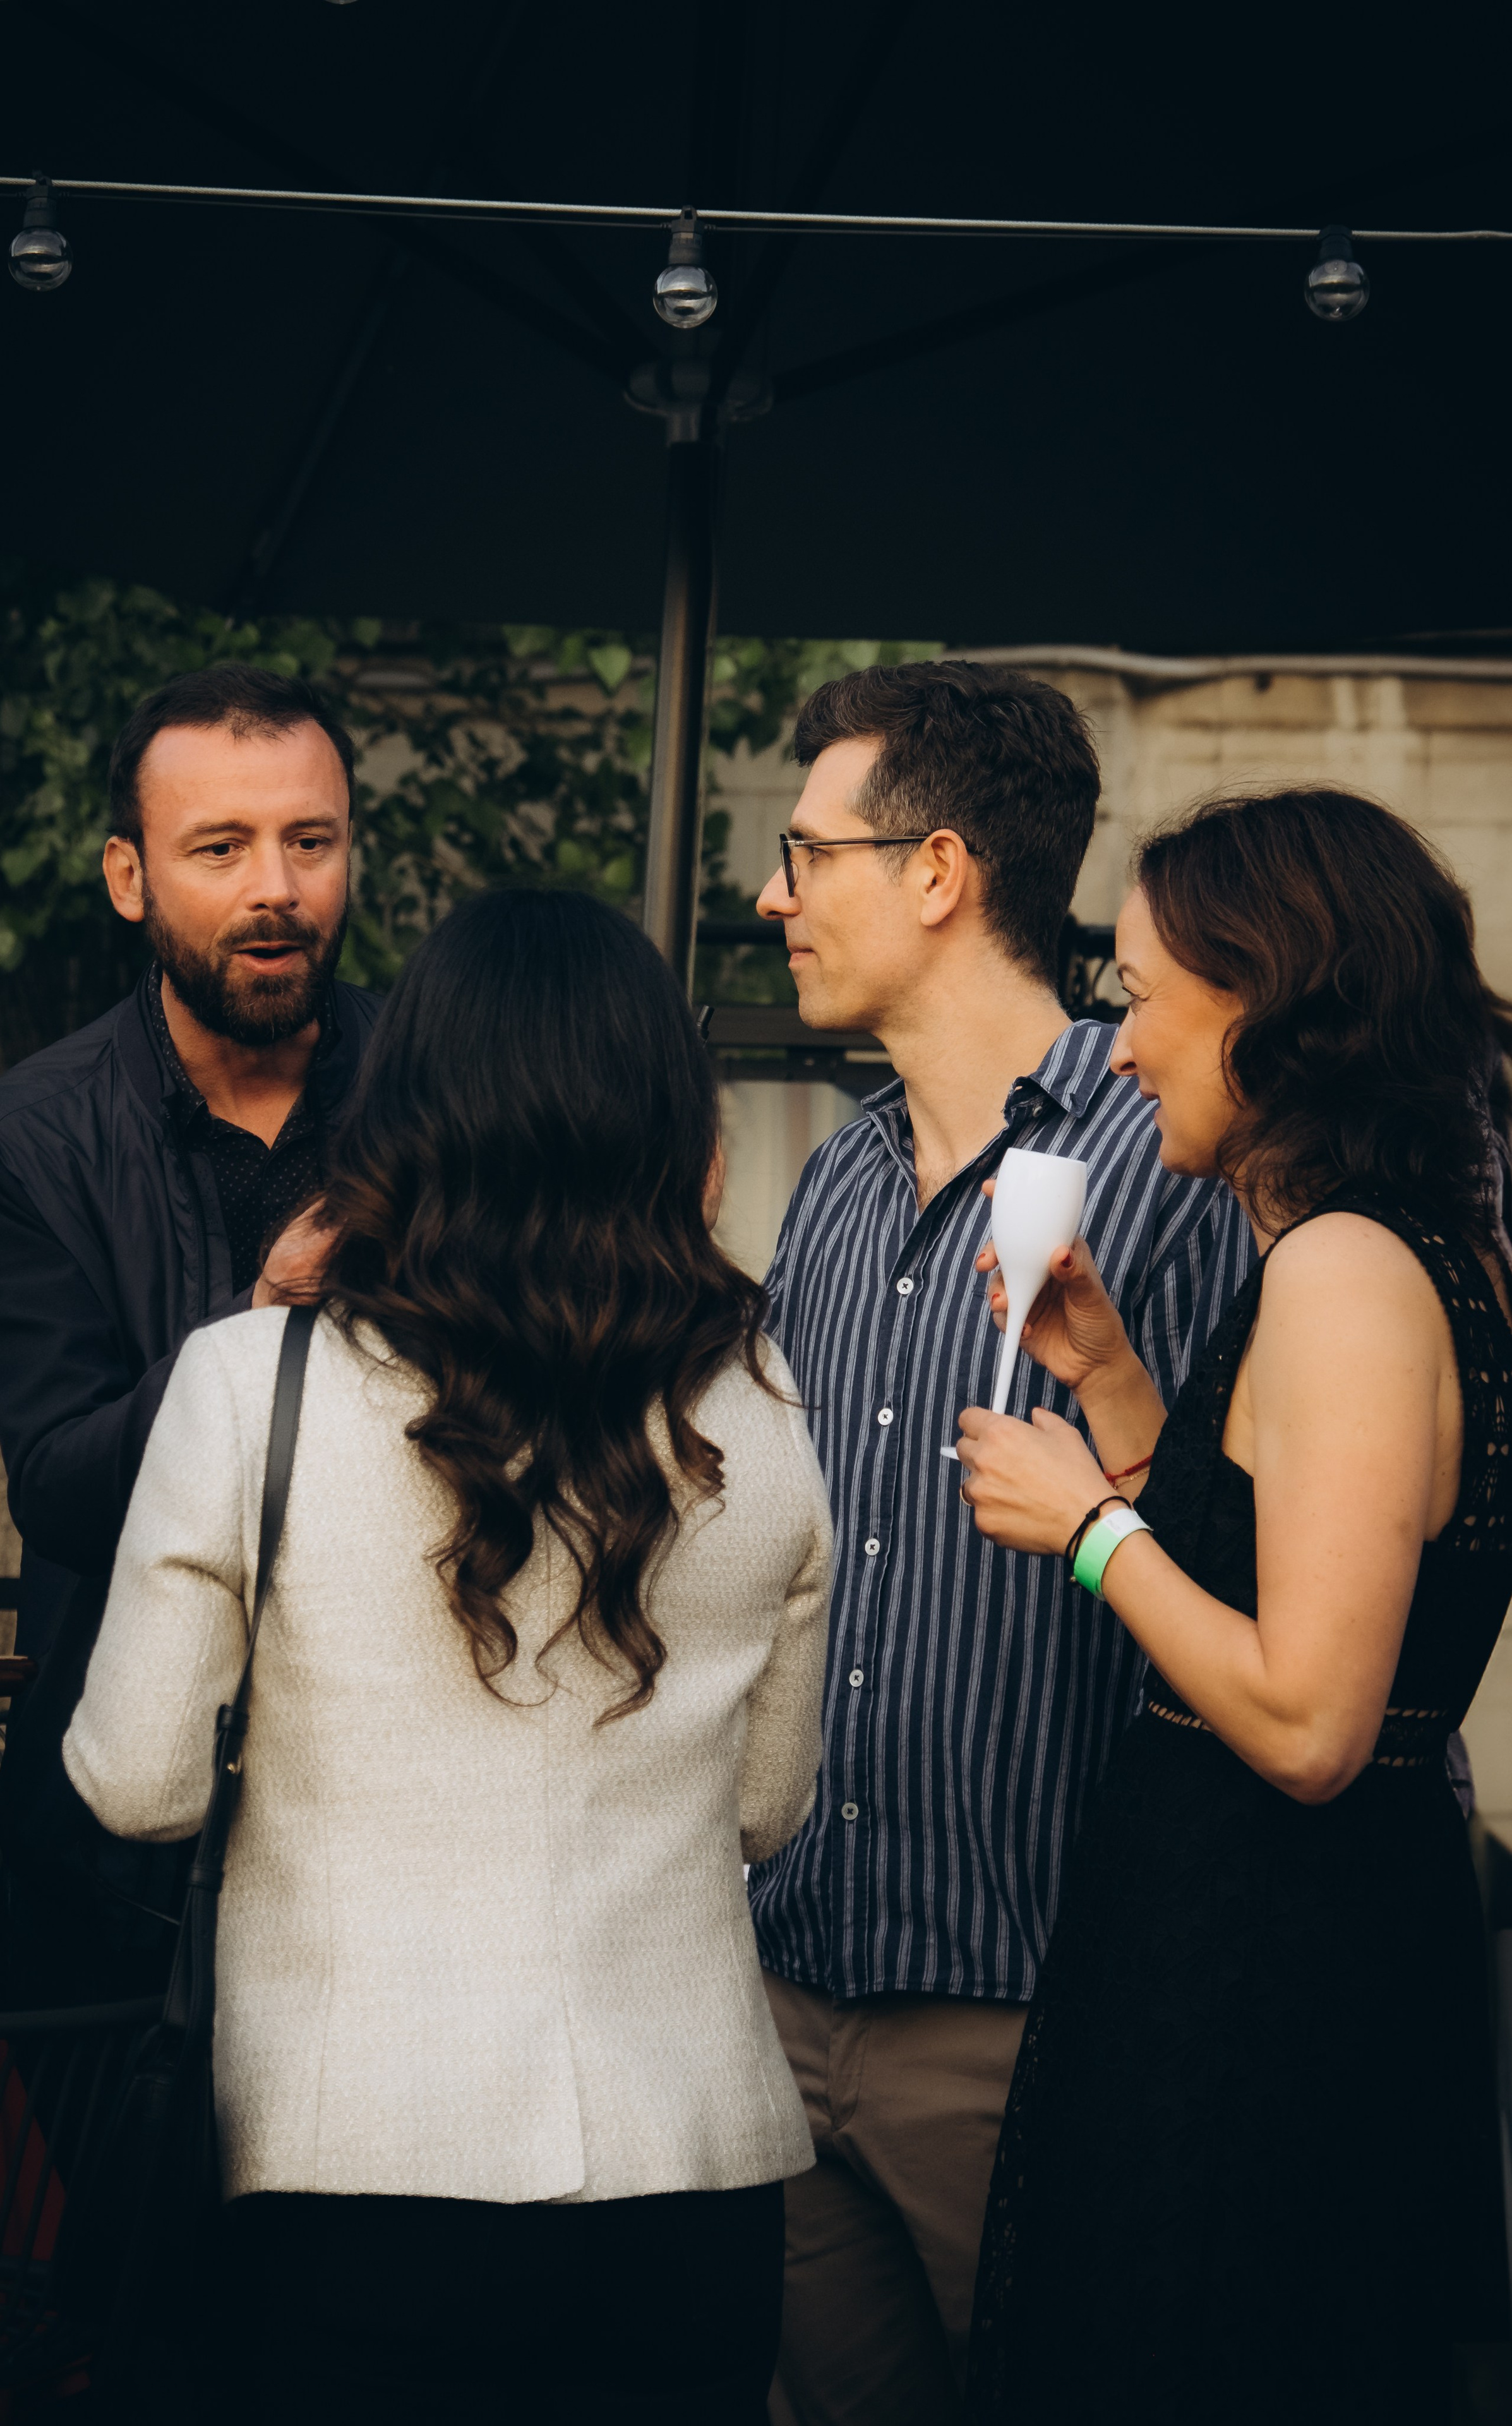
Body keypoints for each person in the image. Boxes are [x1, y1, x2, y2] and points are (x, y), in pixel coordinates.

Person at [62, 889, 832, 2426]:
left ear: (403, 1106)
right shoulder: (759, 1404)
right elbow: (763, 1813)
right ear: (665, 1121)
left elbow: (142, 1785)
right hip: (695, 2179)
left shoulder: (247, 1384)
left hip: (359, 2170)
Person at [958, 788, 1512, 2425]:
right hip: (1288, 1942)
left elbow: (1311, 1716)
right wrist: (1119, 1385)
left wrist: (1084, 1533)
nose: (1120, 1051)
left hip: (1270, 1975)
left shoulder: (1345, 1274)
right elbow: (1291, 1553)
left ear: (1262, 998)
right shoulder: (1412, 1250)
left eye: (1137, 994)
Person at [748, 659, 1254, 2425]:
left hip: (1035, 2018)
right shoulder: (828, 1182)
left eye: (808, 854)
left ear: (940, 872)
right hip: (788, 1991)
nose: (773, 894)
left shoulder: (1175, 1164)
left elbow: (1266, 1567)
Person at [0, 663, 380, 2009]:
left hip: (387, 1826)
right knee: (123, 2218)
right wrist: (255, 1330)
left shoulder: (447, 1096)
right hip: (123, 1842)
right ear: (128, 876)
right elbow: (64, 1488)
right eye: (220, 847)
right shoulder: (20, 1140)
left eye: (311, 841)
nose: (277, 889)